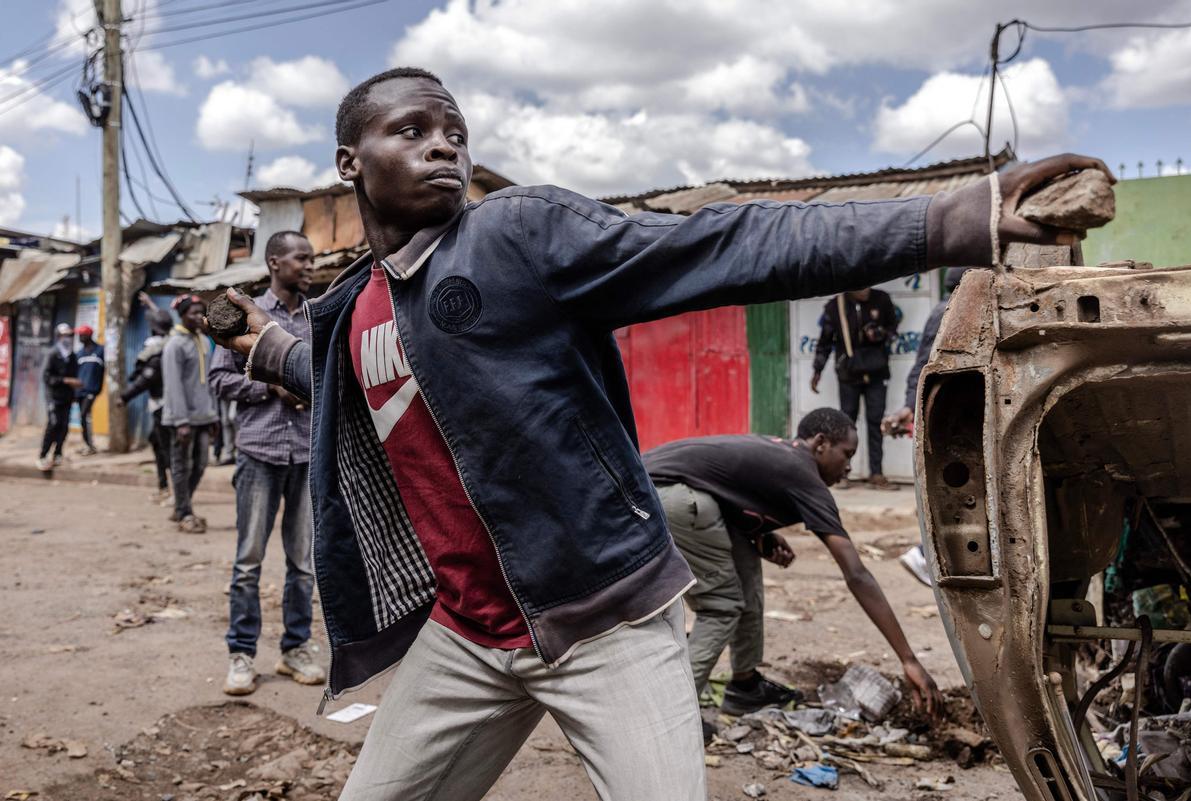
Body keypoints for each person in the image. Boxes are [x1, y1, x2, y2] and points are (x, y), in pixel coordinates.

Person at [209, 66, 1110, 801]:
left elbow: (724, 243)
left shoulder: (517, 233)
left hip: (609, 621)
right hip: (470, 636)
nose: (444, 142)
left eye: (454, 130)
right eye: (411, 129)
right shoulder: (356, 309)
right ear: (348, 162)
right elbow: (338, 383)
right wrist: (252, 340)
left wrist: (954, 218)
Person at [644, 408, 941, 720]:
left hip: (673, 490)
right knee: (721, 605)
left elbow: (728, 489)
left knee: (747, 576)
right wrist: (908, 659)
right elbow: (856, 574)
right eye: (847, 454)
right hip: (666, 494)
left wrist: (762, 533)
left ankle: (745, 687)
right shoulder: (804, 473)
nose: (849, 468)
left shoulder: (785, 458)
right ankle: (674, 717)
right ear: (821, 443)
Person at [209, 230, 324, 696]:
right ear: (275, 263)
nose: (310, 266)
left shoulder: (319, 317)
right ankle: (241, 655)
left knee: (303, 564)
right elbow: (218, 380)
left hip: (306, 456)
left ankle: (295, 649)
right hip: (259, 453)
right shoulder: (244, 316)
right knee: (248, 562)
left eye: (312, 258)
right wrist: (271, 386)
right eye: (302, 258)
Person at [882, 267, 971, 587]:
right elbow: (923, 366)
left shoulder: (950, 310)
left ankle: (934, 556)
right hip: (953, 420)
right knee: (951, 490)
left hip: (954, 416)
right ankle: (925, 555)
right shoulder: (949, 311)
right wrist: (911, 407)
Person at [811, 286, 898, 490]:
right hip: (848, 373)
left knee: (876, 422)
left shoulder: (882, 299)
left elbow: (893, 331)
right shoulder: (835, 307)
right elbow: (824, 342)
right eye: (859, 285)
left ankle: (876, 474)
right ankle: (842, 473)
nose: (864, 289)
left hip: (877, 372)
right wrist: (817, 370)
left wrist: (880, 333)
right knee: (846, 425)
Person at [162, 294, 218, 534]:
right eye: (193, 313)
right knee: (181, 465)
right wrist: (181, 421)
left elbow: (209, 381)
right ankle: (185, 512)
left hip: (204, 416)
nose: (198, 317)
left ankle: (182, 505)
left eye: (200, 312)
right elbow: (173, 385)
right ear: (182, 315)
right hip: (181, 418)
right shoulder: (174, 345)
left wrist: (213, 414)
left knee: (201, 463)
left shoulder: (204, 342)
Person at [119, 294, 174, 504]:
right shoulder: (168, 343)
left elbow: (144, 381)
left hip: (163, 405)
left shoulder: (158, 351)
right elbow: (163, 319)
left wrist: (124, 397)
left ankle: (171, 489)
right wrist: (150, 304)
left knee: (165, 448)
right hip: (163, 404)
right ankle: (164, 486)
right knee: (157, 442)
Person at [37, 323, 80, 471]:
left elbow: (75, 375)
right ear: (59, 337)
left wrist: (74, 389)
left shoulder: (72, 356)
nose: (68, 338)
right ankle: (42, 455)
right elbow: (46, 377)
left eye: (70, 335)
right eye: (65, 335)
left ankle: (58, 454)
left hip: (67, 397)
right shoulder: (52, 354)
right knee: (53, 424)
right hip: (53, 397)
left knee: (64, 426)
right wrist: (65, 380)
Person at [73, 325, 105, 456]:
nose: (80, 337)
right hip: (80, 392)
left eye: (82, 335)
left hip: (92, 390)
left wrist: (98, 388)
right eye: (79, 335)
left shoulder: (100, 351)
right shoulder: (79, 354)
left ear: (89, 335)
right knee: (84, 417)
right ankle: (87, 444)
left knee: (84, 415)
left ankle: (90, 445)